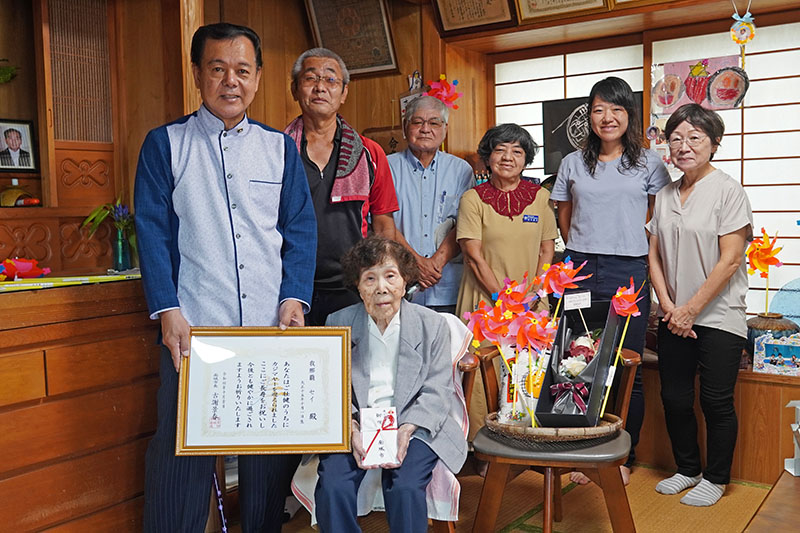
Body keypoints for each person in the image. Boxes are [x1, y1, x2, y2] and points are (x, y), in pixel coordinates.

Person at [134, 22, 317, 532]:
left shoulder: (279, 149)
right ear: (198, 75)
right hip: (193, 332)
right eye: (217, 69)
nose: (230, 81)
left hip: (269, 329)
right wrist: (168, 310)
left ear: (258, 78)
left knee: (267, 463)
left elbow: (299, 230)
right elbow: (152, 232)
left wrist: (294, 299)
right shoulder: (164, 144)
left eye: (242, 70)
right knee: (179, 457)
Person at [550, 77, 670, 485]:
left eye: (617, 109)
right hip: (580, 267)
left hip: (628, 270)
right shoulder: (573, 162)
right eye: (599, 109)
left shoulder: (649, 163)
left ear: (629, 115)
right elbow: (564, 215)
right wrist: (581, 245)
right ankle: (580, 450)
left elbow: (657, 217)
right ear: (590, 114)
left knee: (624, 362)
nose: (608, 117)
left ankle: (622, 455)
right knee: (577, 359)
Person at [313, 235, 467, 532]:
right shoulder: (338, 322)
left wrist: (406, 430)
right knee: (333, 486)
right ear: (358, 286)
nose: (381, 287)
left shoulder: (431, 324)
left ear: (404, 281)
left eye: (390, 276)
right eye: (370, 278)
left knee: (406, 487)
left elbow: (437, 390)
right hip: (357, 422)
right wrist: (351, 429)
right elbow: (330, 390)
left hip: (415, 423)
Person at [647, 103, 752, 506]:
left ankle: (716, 477)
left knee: (715, 400)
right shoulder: (665, 193)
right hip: (674, 315)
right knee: (673, 397)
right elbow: (653, 255)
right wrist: (670, 306)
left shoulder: (728, 190)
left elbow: (730, 260)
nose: (684, 146)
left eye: (694, 138)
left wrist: (691, 309)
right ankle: (688, 468)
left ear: (714, 144)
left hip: (719, 315)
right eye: (676, 139)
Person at [456, 123, 557, 440]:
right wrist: (505, 299)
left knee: (528, 371)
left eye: (517, 150)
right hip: (485, 302)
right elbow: (473, 256)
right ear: (487, 157)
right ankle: (483, 444)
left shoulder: (540, 197)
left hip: (531, 302)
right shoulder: (473, 199)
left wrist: (537, 291)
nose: (508, 157)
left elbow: (547, 248)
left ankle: (528, 438)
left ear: (526, 159)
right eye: (500, 149)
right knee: (484, 374)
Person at [285, 48, 399, 326]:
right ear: (295, 89)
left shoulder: (370, 154)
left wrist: (383, 282)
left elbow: (384, 224)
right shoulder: (277, 150)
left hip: (354, 285)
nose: (320, 87)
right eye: (310, 79)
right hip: (291, 287)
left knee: (354, 367)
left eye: (330, 80)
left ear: (344, 92)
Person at [388, 95, 474, 314]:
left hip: (447, 284)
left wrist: (435, 263)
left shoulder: (461, 170)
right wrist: (415, 262)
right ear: (405, 127)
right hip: (398, 283)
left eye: (434, 123)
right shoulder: (386, 167)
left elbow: (466, 224)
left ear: (445, 129)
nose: (425, 129)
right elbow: (382, 222)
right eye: (418, 122)